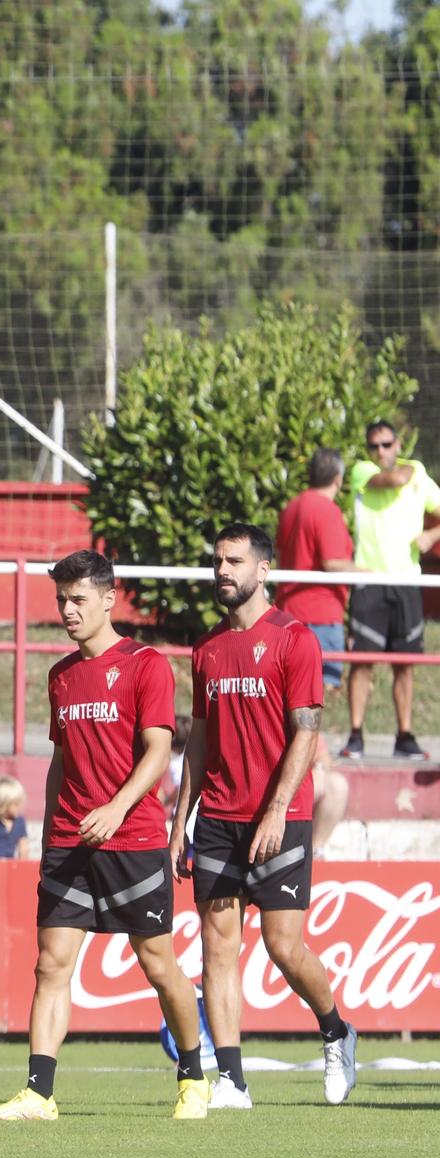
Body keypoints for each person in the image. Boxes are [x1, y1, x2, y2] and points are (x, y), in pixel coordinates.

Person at [0, 552, 208, 1121]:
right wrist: (48, 826)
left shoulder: (146, 664)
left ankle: (194, 1077)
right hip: (69, 840)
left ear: (109, 599)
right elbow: (60, 760)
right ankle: (39, 1092)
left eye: (78, 598)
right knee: (50, 964)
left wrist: (117, 807)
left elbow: (160, 749)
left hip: (132, 840)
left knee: (158, 965)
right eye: (61, 598)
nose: (67, 609)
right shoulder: (61, 675)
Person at [169, 523, 357, 1109]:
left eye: (234, 561)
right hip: (218, 818)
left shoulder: (295, 639)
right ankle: (232, 1079)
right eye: (217, 560)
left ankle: (336, 1032)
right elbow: (199, 741)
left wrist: (277, 808)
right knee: (217, 947)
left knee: (283, 946)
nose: (222, 570)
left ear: (263, 570)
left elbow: (307, 731)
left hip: (281, 815)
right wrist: (181, 821)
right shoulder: (205, 648)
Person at [342, 420, 440, 760]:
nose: (381, 451)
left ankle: (405, 736)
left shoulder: (417, 474)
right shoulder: (361, 471)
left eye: (386, 444)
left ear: (398, 444)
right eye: (375, 446)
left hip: (407, 581)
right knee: (362, 662)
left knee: (405, 663)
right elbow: (394, 478)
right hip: (369, 580)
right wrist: (413, 469)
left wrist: (432, 535)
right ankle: (355, 735)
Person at [276, 448, 357, 705]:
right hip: (319, 616)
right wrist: (373, 573)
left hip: (289, 611)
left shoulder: (291, 507)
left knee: (291, 695)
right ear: (338, 478)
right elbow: (332, 562)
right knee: (317, 698)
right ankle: (315, 747)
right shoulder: (326, 510)